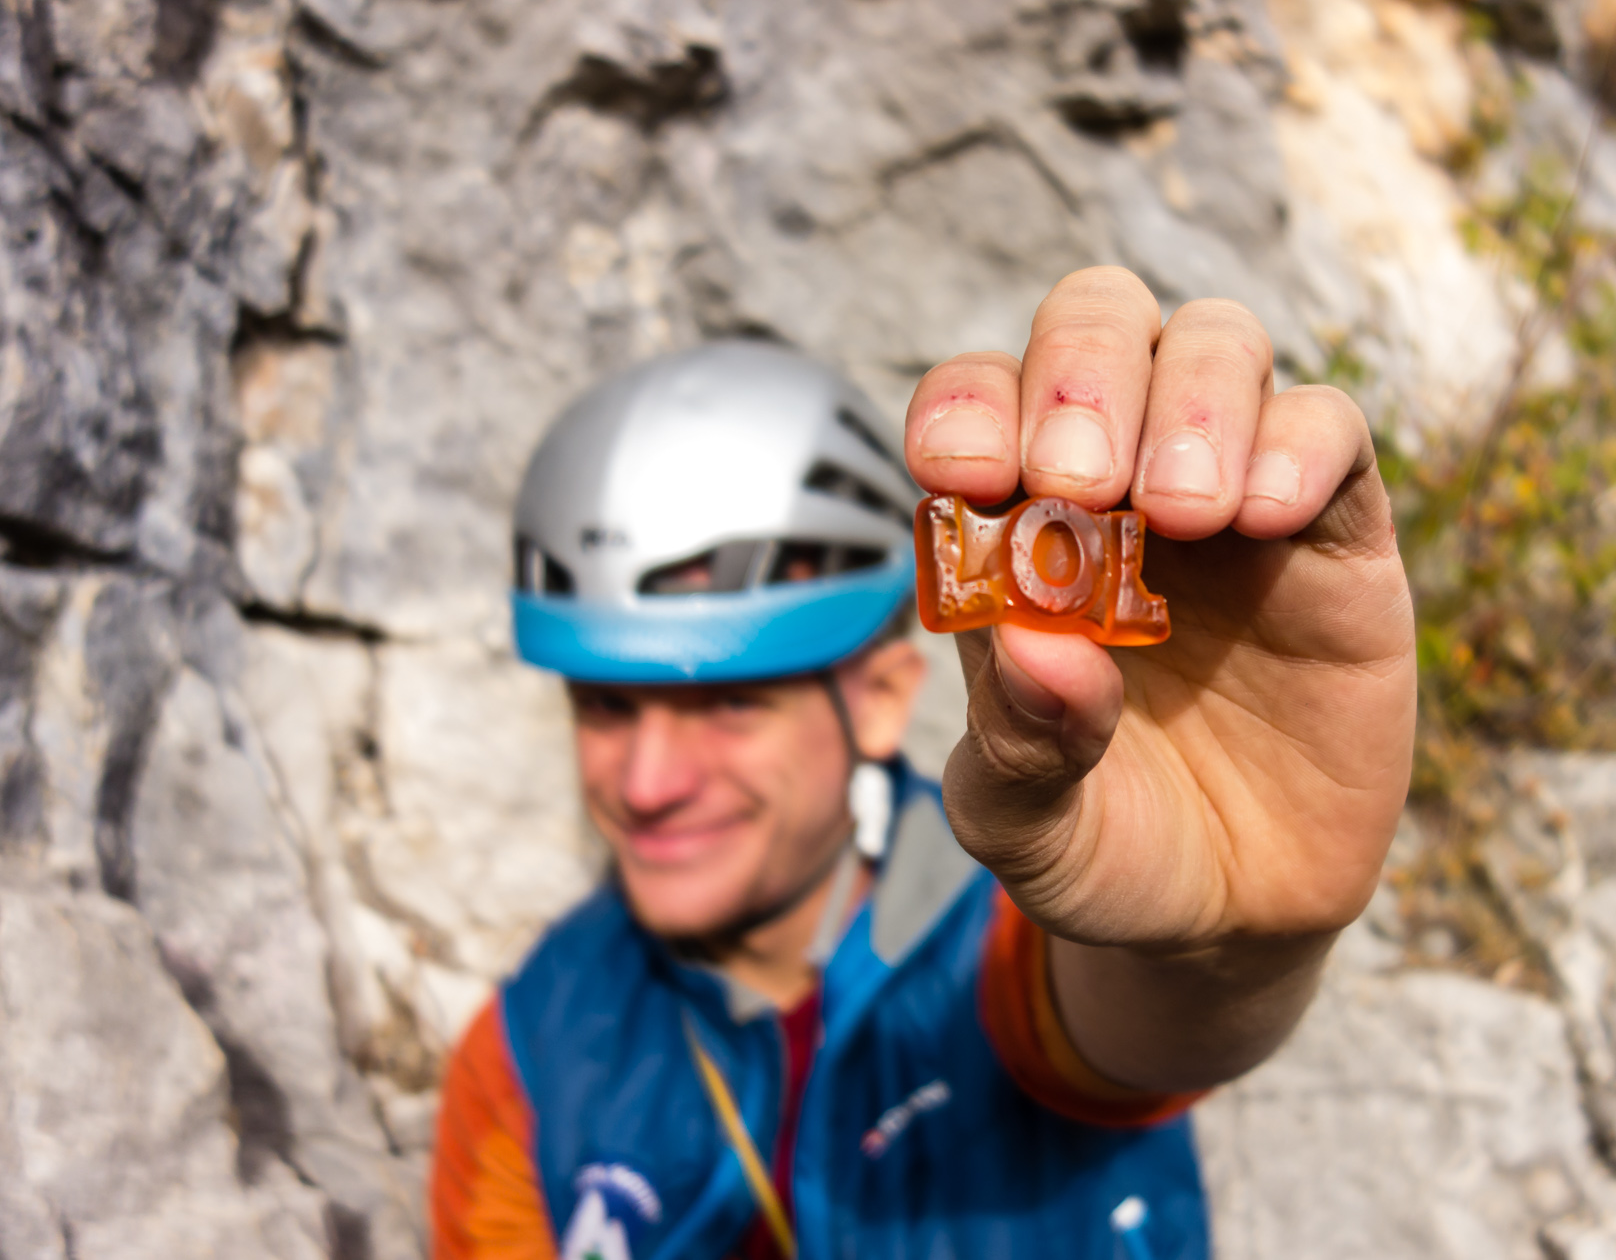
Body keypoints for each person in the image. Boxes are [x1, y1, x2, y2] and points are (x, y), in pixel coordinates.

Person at [429, 268, 1417, 1260]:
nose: (645, 784)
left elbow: (1138, 1016)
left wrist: (1232, 950)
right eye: (602, 704)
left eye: (729, 702)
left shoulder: (1002, 940)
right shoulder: (525, 1060)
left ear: (881, 697)